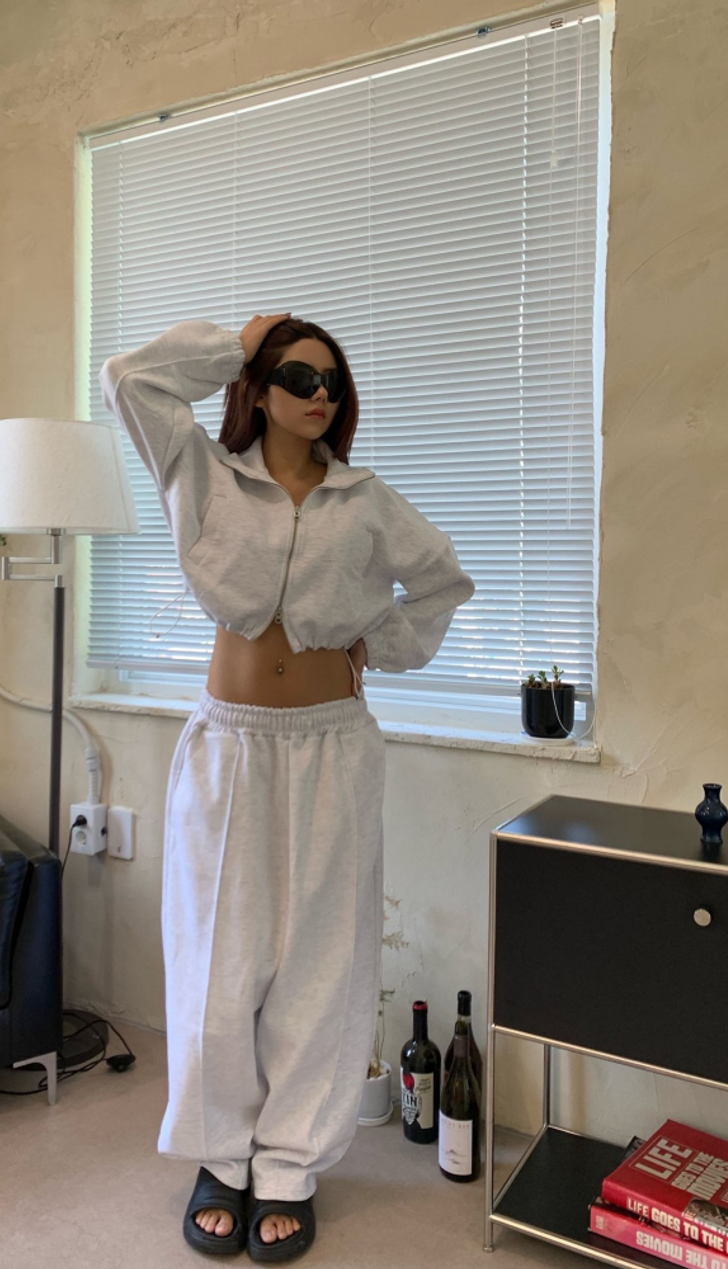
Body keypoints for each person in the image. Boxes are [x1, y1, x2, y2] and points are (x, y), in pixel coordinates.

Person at [100, 312, 476, 1261]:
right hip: (229, 747)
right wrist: (237, 343)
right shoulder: (201, 472)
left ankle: (289, 1167)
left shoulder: (366, 500)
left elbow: (442, 583)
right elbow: (129, 379)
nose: (320, 395)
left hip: (332, 747)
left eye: (333, 383)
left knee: (321, 964)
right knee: (216, 960)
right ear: (259, 389)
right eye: (300, 377)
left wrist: (379, 639)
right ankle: (220, 1156)